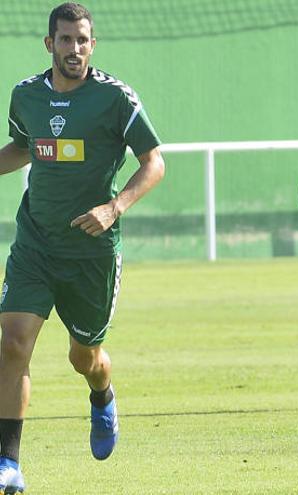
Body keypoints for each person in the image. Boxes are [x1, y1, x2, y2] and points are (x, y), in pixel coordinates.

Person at [0, 3, 165, 492]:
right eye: (66, 40)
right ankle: (9, 463)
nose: (75, 49)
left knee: (84, 357)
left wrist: (114, 207)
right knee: (12, 344)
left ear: (93, 44)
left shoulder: (115, 99)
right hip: (35, 242)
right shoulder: (26, 96)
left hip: (91, 253)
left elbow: (154, 163)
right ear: (49, 44)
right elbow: (24, 146)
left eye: (83, 40)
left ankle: (102, 395)